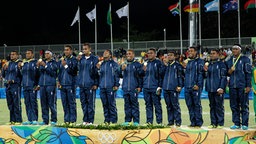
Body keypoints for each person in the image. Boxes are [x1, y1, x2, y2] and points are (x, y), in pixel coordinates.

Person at [226, 44, 251, 130]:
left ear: (240, 50)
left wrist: (248, 86)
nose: (234, 51)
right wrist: (230, 71)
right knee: (234, 105)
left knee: (244, 105)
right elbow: (227, 73)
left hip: (242, 86)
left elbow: (248, 73)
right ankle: (236, 123)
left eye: (236, 49)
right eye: (233, 49)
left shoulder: (245, 59)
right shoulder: (229, 61)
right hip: (232, 86)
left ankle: (245, 124)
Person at [204, 49, 227, 129]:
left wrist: (221, 87)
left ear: (218, 54)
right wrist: (205, 71)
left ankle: (220, 123)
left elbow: (223, 77)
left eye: (214, 53)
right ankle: (213, 123)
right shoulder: (209, 64)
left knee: (219, 106)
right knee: (212, 106)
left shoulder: (221, 64)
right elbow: (206, 76)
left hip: (218, 89)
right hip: (210, 88)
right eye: (211, 54)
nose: (212, 55)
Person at [77, 43, 99, 125]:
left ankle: (90, 121)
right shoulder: (81, 59)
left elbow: (96, 72)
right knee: (83, 103)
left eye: (86, 49)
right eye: (83, 49)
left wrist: (96, 83)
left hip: (90, 85)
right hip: (82, 85)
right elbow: (77, 70)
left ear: (90, 49)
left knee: (90, 104)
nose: (84, 50)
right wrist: (77, 61)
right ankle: (85, 120)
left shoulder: (94, 59)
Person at [96, 49, 120, 125]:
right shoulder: (101, 64)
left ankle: (113, 121)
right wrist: (98, 69)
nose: (104, 53)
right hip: (103, 87)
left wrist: (116, 84)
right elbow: (99, 75)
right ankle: (107, 120)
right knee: (105, 104)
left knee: (111, 104)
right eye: (104, 52)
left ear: (110, 55)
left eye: (106, 53)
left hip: (111, 87)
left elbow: (117, 75)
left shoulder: (114, 64)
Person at [120, 49, 143, 126]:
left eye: (129, 54)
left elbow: (140, 76)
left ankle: (136, 121)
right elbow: (119, 75)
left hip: (134, 88)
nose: (128, 55)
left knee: (134, 105)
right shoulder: (124, 64)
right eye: (127, 54)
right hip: (126, 88)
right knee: (127, 105)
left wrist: (140, 86)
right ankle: (127, 121)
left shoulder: (137, 64)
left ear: (133, 55)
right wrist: (121, 69)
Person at [58, 45, 78, 125]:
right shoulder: (63, 60)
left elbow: (73, 71)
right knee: (64, 103)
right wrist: (59, 81)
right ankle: (66, 120)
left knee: (71, 103)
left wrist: (66, 65)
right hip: (63, 85)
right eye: (65, 50)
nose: (65, 51)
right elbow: (60, 72)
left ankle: (72, 120)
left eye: (67, 50)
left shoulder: (74, 60)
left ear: (71, 51)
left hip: (70, 84)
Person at [184, 46, 204, 128]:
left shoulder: (200, 61)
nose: (190, 52)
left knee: (196, 105)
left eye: (192, 51)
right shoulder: (187, 62)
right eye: (189, 51)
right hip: (187, 87)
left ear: (196, 52)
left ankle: (198, 123)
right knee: (189, 105)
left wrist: (198, 85)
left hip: (195, 87)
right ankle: (193, 122)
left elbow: (201, 73)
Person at [162, 50, 184, 127]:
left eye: (171, 55)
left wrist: (180, 86)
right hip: (166, 88)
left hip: (174, 88)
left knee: (175, 105)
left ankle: (178, 121)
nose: (169, 56)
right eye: (168, 55)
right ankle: (170, 121)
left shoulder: (178, 66)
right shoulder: (166, 66)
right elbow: (161, 75)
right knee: (168, 106)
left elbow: (181, 77)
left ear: (174, 57)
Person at [142, 48, 163, 125]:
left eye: (151, 53)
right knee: (148, 105)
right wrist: (142, 70)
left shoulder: (158, 63)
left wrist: (160, 86)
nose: (149, 54)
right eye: (148, 53)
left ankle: (159, 122)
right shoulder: (145, 63)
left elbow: (161, 75)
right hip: (146, 88)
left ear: (155, 54)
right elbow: (141, 75)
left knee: (157, 105)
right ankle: (149, 122)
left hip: (155, 87)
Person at [37, 50, 58, 125]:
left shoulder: (54, 63)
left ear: (51, 55)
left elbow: (53, 73)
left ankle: (54, 120)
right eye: (45, 54)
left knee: (51, 103)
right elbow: (39, 74)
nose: (46, 55)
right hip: (42, 85)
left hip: (51, 85)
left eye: (48, 53)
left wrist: (45, 66)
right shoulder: (42, 62)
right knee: (43, 103)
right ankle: (45, 120)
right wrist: (38, 66)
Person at [2, 51, 22, 125]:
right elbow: (3, 75)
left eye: (13, 54)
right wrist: (4, 68)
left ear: (17, 55)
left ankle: (18, 120)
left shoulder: (19, 63)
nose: (12, 56)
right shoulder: (8, 64)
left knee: (16, 103)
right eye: (11, 54)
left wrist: (14, 80)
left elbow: (21, 75)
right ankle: (12, 120)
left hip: (15, 85)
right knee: (10, 103)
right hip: (8, 86)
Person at [20, 50, 39, 125]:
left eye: (29, 53)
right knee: (27, 102)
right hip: (25, 86)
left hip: (32, 85)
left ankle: (34, 119)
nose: (27, 55)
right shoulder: (24, 63)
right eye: (26, 53)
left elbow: (38, 74)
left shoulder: (35, 63)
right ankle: (29, 119)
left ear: (32, 54)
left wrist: (37, 84)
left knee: (33, 102)